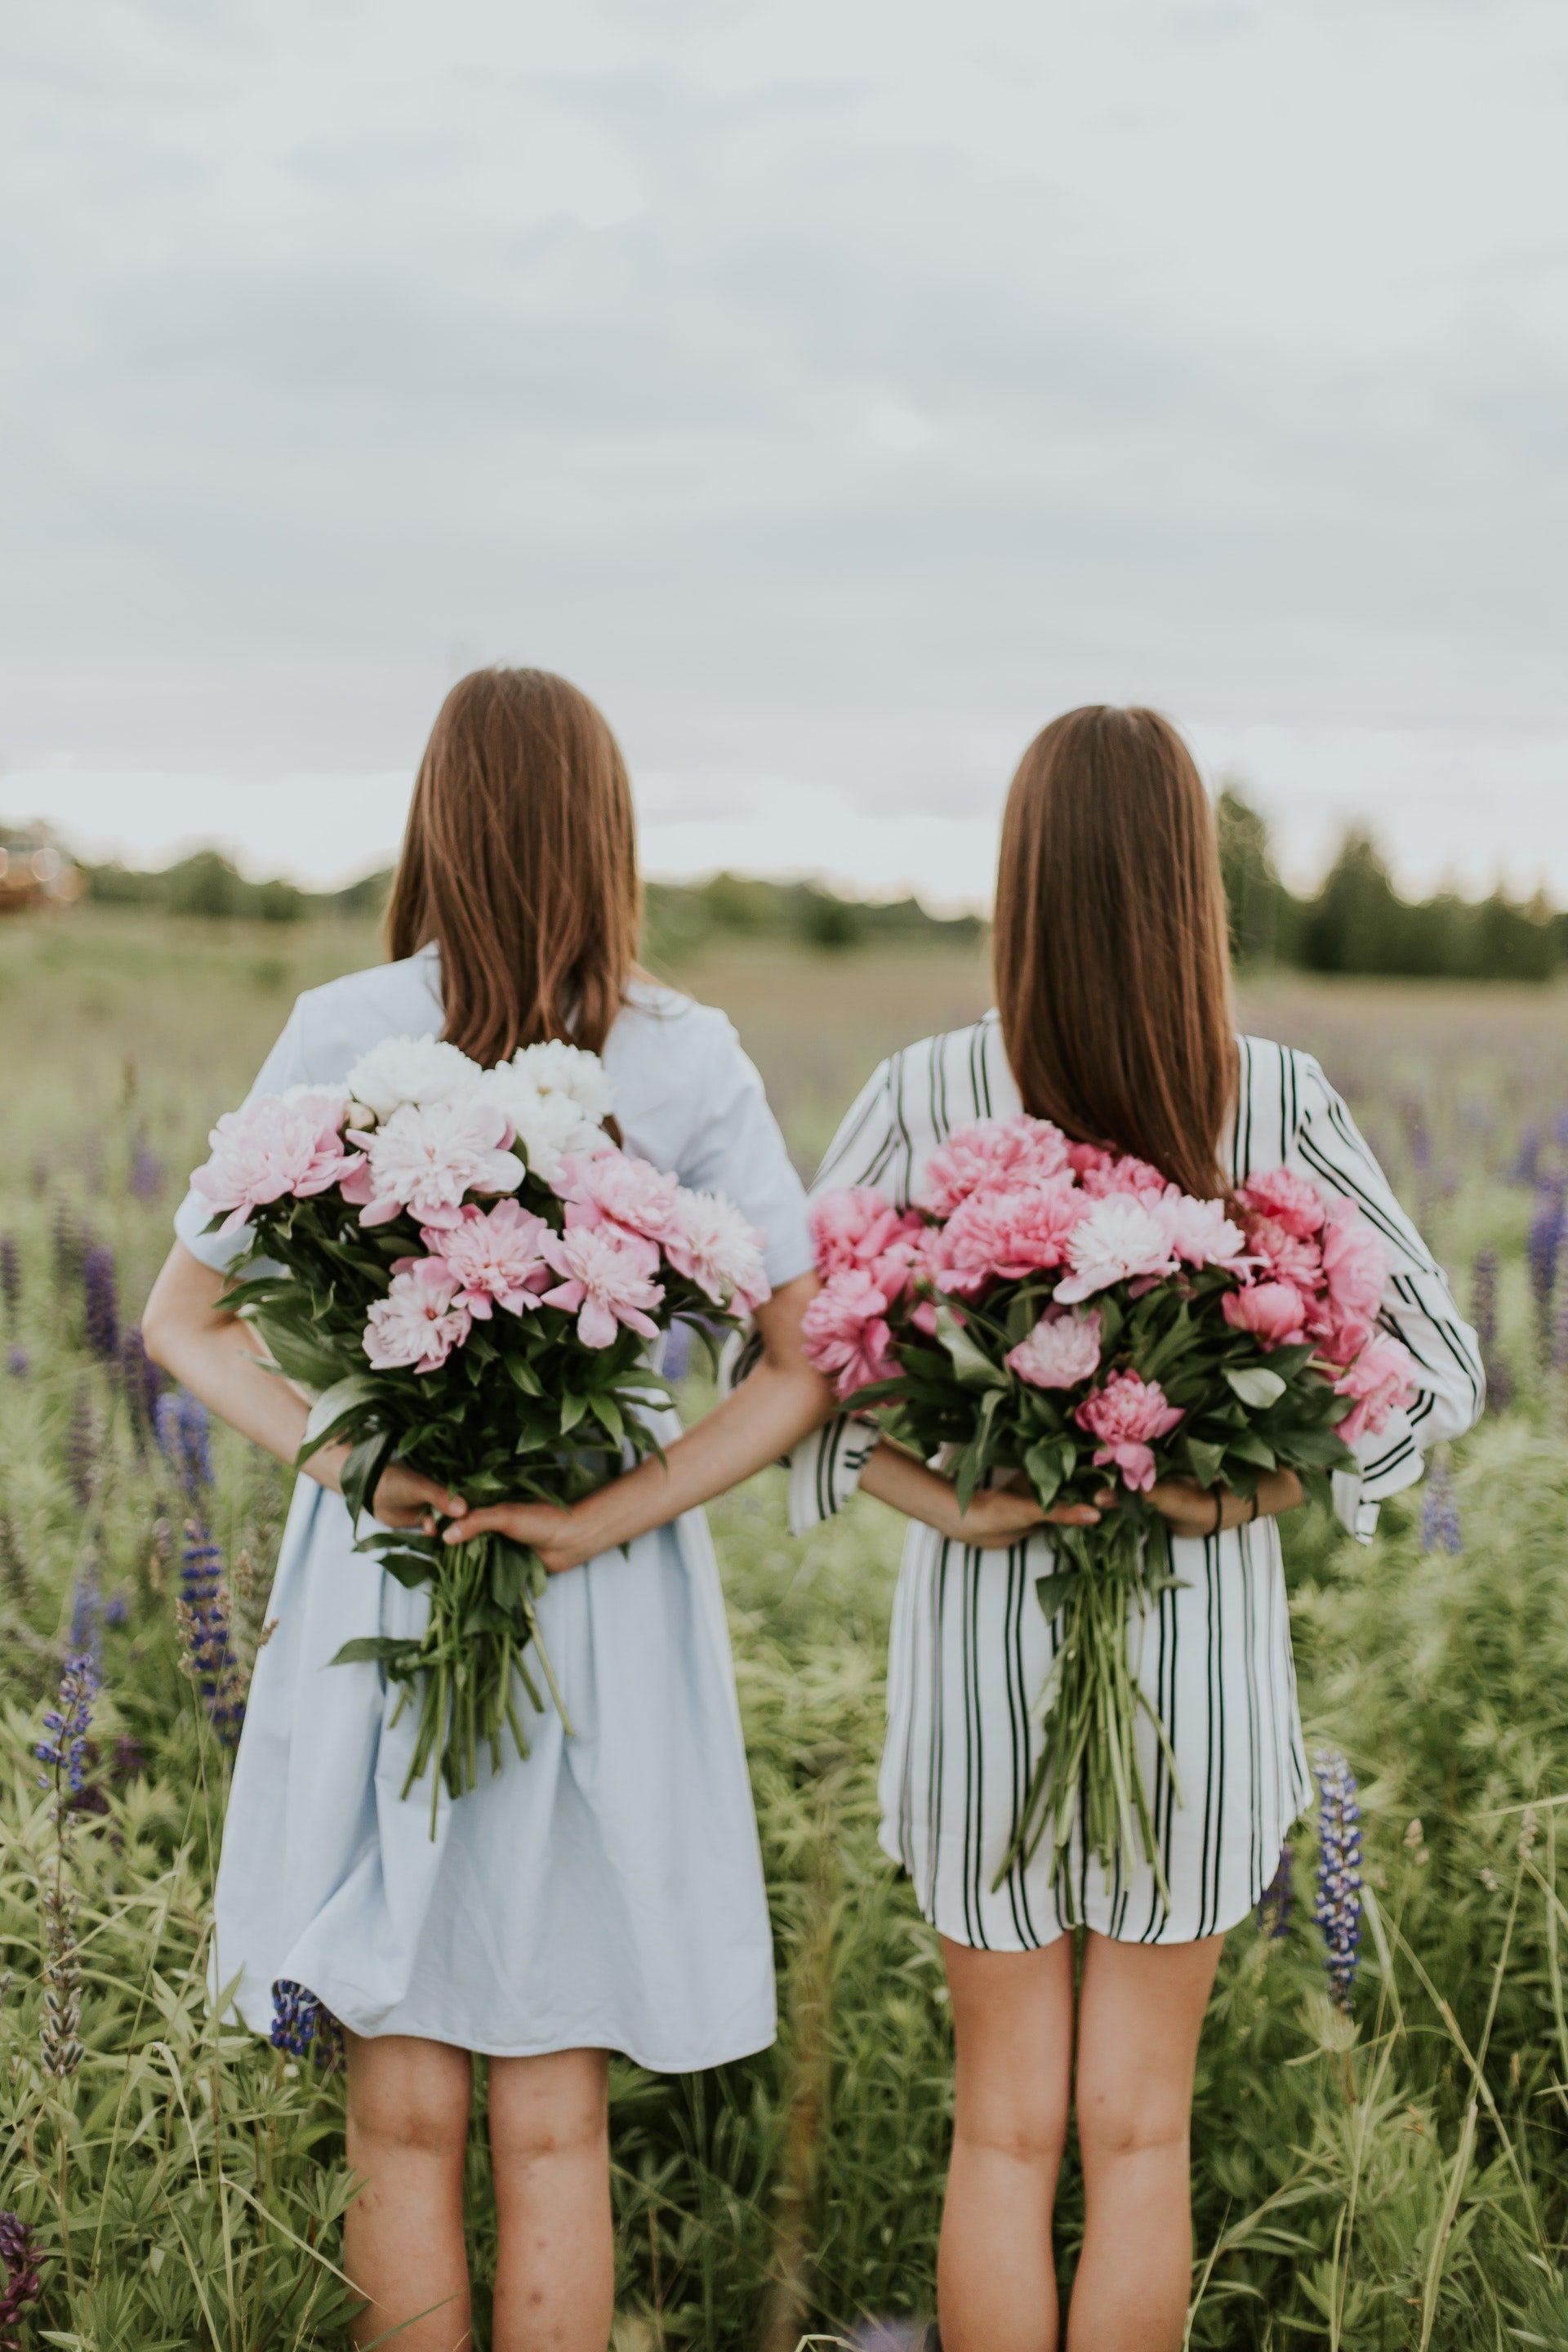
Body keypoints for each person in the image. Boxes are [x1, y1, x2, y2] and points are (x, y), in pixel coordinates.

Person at [142, 666, 1040, 2352]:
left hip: (388, 1587)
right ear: (609, 837)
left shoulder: (347, 1028)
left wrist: (351, 1462)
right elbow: (800, 1368)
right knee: (551, 2110)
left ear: (439, 826)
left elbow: (176, 1322)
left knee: (399, 2106)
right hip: (596, 1604)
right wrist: (605, 1514)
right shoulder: (681, 1052)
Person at [725, 706, 1481, 2351]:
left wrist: (958, 1500)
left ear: (1019, 886)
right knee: (1142, 2136)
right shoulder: (1266, 1094)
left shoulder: (929, 1091)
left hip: (978, 1674)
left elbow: (780, 1359)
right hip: (1197, 1675)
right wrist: (1247, 1489)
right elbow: (1438, 1359)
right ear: (1189, 891)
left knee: (1002, 2127)